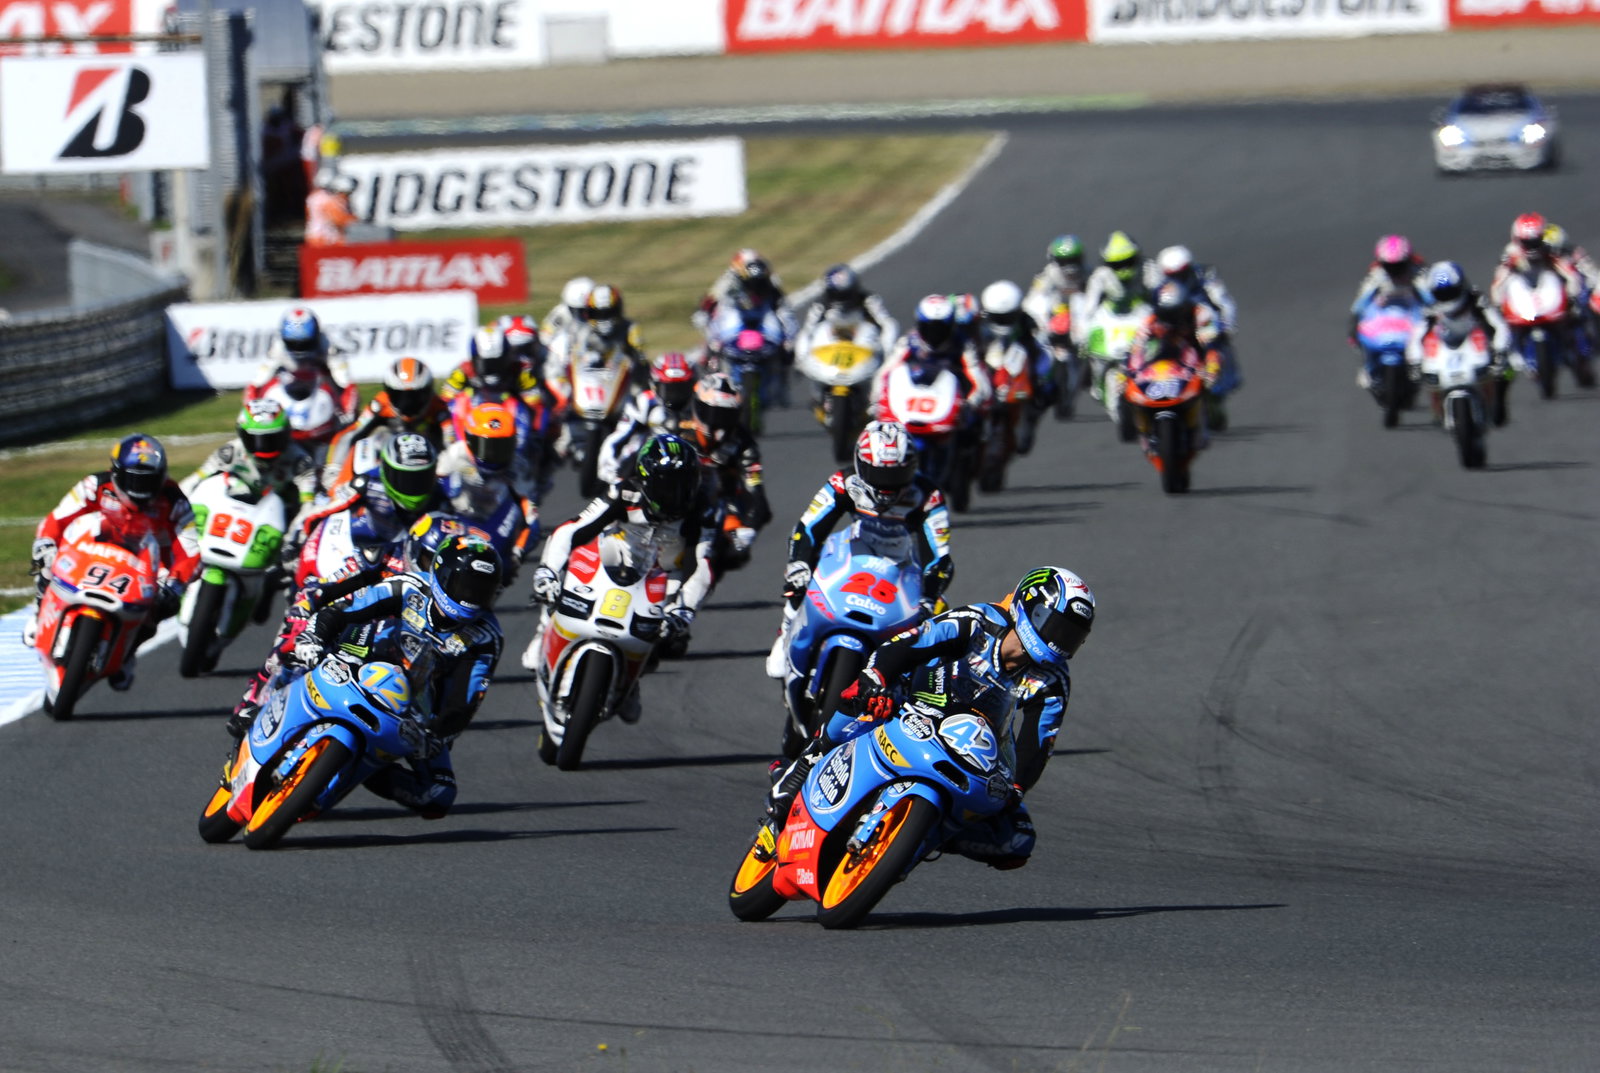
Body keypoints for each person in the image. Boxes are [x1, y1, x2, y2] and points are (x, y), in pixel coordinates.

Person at [757, 566, 1096, 869]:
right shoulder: (979, 621)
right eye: (1056, 627)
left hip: (973, 744)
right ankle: (801, 769)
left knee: (1017, 840)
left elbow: (1038, 740)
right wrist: (876, 678)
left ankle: (922, 837)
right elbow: (912, 641)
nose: (1060, 641)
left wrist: (1016, 788)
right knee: (859, 701)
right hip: (913, 701)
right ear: (1029, 608)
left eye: (1071, 636)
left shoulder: (1053, 681)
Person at [284, 535, 505, 818]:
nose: (471, 597)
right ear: (442, 575)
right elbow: (348, 608)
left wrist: (436, 735)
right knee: (293, 656)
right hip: (359, 659)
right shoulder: (410, 586)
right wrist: (315, 636)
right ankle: (262, 706)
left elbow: (465, 699)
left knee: (439, 795)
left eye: (482, 591)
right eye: (466, 586)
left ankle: (366, 767)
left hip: (413, 709)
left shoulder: (485, 636)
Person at [227, 510, 491, 738]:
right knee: (294, 638)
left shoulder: (461, 614)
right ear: (413, 546)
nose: (432, 571)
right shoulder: (380, 557)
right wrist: (304, 613)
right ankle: (255, 702)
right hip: (348, 631)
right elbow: (326, 587)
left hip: (404, 662)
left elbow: (462, 693)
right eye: (426, 559)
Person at [523, 434, 713, 710]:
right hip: (613, 557)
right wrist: (547, 572)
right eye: (667, 486)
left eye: (684, 486)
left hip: (663, 574)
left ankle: (631, 679)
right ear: (646, 480)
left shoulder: (702, 512)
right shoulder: (623, 492)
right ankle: (544, 629)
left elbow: (702, 566)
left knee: (671, 641)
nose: (676, 494)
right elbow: (573, 529)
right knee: (572, 565)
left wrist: (683, 611)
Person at [763, 420, 954, 678]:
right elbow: (808, 528)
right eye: (879, 475)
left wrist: (928, 598)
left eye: (896, 475)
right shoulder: (843, 482)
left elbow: (939, 556)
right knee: (801, 576)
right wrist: (799, 564)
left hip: (903, 566)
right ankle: (788, 626)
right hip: (852, 553)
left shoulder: (928, 496)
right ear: (860, 464)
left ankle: (912, 685)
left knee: (939, 615)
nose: (887, 486)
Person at [25, 434, 200, 690]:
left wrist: (176, 583)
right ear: (116, 472)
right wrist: (46, 544)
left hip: (145, 563)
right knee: (47, 565)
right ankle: (39, 613)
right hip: (91, 550)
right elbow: (58, 518)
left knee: (162, 606)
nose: (140, 488)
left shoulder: (175, 501)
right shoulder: (94, 484)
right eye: (133, 479)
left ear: (161, 477)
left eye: (148, 480)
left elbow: (191, 551)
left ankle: (128, 652)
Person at [287, 432, 443, 589]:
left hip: (415, 555)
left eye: (422, 478)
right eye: (405, 479)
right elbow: (325, 509)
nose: (414, 486)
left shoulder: (441, 491)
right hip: (372, 547)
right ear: (386, 471)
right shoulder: (367, 483)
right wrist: (297, 540)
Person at [677, 371, 773, 574]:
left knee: (736, 553)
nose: (719, 423)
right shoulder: (675, 429)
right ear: (698, 407)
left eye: (727, 416)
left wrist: (748, 531)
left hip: (719, 503)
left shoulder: (743, 443)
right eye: (713, 414)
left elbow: (757, 494)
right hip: (676, 497)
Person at [436, 400, 540, 574]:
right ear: (470, 441)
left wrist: (518, 552)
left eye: (502, 446)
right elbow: (433, 489)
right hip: (457, 518)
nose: (494, 454)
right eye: (487, 447)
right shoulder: (455, 455)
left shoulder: (518, 466)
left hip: (495, 526)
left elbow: (532, 516)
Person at [324, 356, 452, 489]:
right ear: (389, 392)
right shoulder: (380, 403)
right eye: (400, 396)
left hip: (428, 464)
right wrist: (334, 470)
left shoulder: (439, 407)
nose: (407, 403)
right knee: (378, 437)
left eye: (415, 396)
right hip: (387, 460)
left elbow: (451, 441)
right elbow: (351, 434)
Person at [1411, 261, 1513, 425]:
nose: (1447, 297)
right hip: (1445, 348)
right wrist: (1415, 361)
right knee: (1427, 378)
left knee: (1510, 369)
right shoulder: (1431, 308)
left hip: (1478, 343)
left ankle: (1500, 399)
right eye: (1442, 294)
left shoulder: (1476, 299)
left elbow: (1499, 325)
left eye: (1451, 292)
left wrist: (1500, 350)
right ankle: (1438, 409)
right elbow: (1417, 335)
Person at [182, 399, 318, 511]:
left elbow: (308, 505)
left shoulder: (300, 461)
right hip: (236, 512)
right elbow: (193, 481)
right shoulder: (230, 452)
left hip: (279, 516)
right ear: (242, 435)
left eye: (273, 439)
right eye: (257, 440)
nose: (265, 447)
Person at [874, 294, 992, 420]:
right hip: (912, 399)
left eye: (940, 329)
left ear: (951, 326)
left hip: (950, 405)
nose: (934, 334)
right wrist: (876, 401)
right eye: (928, 328)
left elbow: (979, 379)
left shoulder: (963, 345)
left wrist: (970, 404)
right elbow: (885, 372)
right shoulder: (909, 341)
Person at [243, 306, 359, 432]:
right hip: (289, 385)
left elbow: (347, 384)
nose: (298, 349)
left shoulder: (328, 347)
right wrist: (252, 414)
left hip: (320, 387)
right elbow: (256, 383)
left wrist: (348, 414)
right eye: (293, 343)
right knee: (268, 386)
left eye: (304, 343)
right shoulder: (278, 348)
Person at [976, 279, 1055, 454]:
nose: (1004, 322)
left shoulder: (1028, 323)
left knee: (1048, 388)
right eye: (999, 317)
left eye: (1008, 317)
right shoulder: (979, 326)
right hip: (989, 364)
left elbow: (1041, 348)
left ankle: (1031, 416)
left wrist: (1041, 378)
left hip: (1016, 368)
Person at [597, 351, 696, 486]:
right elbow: (618, 436)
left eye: (681, 388)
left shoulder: (700, 404)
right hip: (650, 460)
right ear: (655, 385)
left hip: (689, 459)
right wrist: (610, 469)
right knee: (636, 442)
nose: (675, 395)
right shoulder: (645, 401)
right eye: (669, 389)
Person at [795, 264, 899, 349]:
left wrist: (886, 349)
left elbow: (888, 323)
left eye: (846, 295)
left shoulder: (869, 300)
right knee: (821, 330)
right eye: (837, 295)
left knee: (871, 328)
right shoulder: (820, 306)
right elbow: (807, 331)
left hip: (864, 349)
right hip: (830, 351)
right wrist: (803, 358)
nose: (842, 300)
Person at [1349, 234, 1430, 340]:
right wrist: (1354, 326)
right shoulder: (1377, 275)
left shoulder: (1418, 274)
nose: (1394, 270)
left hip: (1412, 315)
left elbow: (1429, 298)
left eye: (1399, 265)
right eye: (1389, 266)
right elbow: (1361, 303)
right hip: (1385, 317)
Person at [1079, 231, 1150, 337]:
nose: (1124, 269)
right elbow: (1090, 306)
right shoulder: (1100, 276)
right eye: (1117, 265)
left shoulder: (1147, 268)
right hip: (1111, 319)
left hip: (1141, 316)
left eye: (1128, 262)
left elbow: (1160, 298)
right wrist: (1084, 332)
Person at [1024, 234, 1087, 324]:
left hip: (1082, 316)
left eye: (1073, 260)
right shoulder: (1047, 275)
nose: (1069, 267)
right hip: (1054, 317)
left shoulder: (1089, 273)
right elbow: (1031, 302)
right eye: (1064, 261)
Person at [304, 169, 358, 248]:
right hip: (326, 237)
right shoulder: (328, 198)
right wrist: (355, 219)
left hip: (313, 234)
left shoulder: (312, 197)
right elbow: (338, 219)